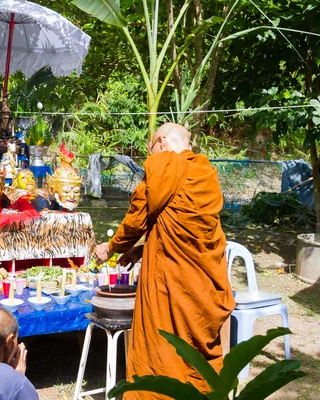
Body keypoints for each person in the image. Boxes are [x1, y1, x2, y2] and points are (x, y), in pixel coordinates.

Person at [95, 123, 235, 399]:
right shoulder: (206, 172)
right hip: (202, 283)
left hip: (171, 283)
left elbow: (138, 218)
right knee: (195, 349)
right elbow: (193, 231)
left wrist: (111, 247)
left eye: (151, 149)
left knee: (162, 346)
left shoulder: (165, 165)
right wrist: (145, 249)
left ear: (160, 142)